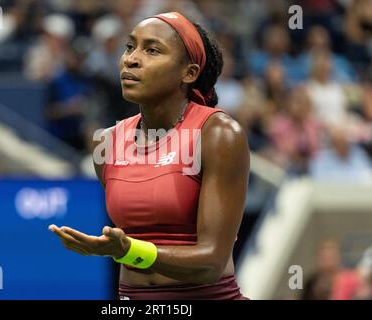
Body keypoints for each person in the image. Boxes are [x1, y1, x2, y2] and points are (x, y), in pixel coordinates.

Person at [49, 12, 250, 300]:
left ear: (189, 73)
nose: (131, 59)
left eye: (152, 50)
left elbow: (212, 263)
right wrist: (119, 249)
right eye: (130, 47)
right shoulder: (106, 143)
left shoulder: (218, 133)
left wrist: (129, 251)